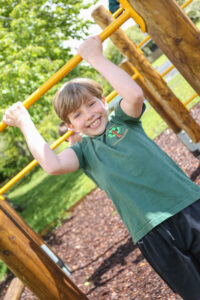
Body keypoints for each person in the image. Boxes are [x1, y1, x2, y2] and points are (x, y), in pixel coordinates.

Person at [3, 35, 200, 300]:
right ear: (71, 126)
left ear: (104, 102)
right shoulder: (83, 153)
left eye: (91, 104)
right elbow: (51, 165)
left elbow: (134, 93)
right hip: (152, 232)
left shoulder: (123, 121)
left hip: (188, 206)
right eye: (77, 115)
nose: (89, 115)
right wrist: (25, 122)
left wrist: (96, 58)